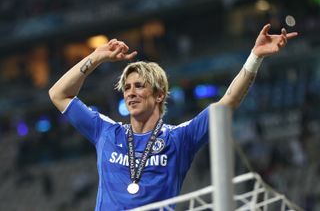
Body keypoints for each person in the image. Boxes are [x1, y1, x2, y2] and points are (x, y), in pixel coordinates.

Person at [48, 24, 298, 210]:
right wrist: (96, 57)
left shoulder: (180, 137)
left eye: (139, 86)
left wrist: (255, 57)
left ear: (159, 95)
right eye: (127, 88)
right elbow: (59, 94)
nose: (131, 93)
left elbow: (227, 102)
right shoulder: (106, 131)